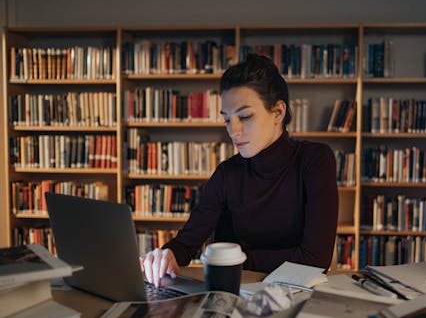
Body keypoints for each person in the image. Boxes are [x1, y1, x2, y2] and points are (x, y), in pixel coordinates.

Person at [141, 54, 338, 287]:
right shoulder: (227, 173)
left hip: (300, 294)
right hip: (239, 294)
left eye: (245, 116)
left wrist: (236, 260)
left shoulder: (315, 159)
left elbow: (315, 259)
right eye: (227, 120)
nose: (233, 131)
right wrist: (166, 256)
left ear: (278, 113)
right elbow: (186, 244)